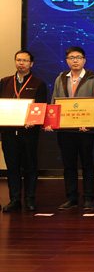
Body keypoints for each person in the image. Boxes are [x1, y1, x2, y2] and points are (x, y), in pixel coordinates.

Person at [49, 46, 94, 211]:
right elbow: (54, 101)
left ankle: (88, 198)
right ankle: (71, 198)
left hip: (85, 130)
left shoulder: (93, 78)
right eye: (72, 58)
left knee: (87, 165)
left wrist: (91, 122)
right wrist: (51, 122)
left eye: (78, 57)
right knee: (69, 166)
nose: (75, 60)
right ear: (67, 60)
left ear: (84, 60)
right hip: (65, 130)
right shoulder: (61, 78)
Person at [0, 50, 48, 212]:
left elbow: (41, 107)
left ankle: (29, 199)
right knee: (12, 167)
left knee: (30, 166)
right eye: (18, 60)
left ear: (31, 64)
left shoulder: (38, 83)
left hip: (29, 133)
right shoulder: (5, 82)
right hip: (8, 133)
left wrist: (34, 121)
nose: (21, 63)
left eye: (25, 60)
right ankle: (14, 199)